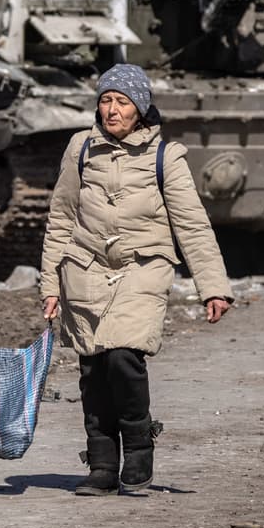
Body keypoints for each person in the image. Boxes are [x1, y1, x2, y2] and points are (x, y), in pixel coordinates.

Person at [39, 63, 233, 496]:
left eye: (121, 102)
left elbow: (193, 226)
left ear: (140, 108)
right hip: (85, 269)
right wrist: (50, 283)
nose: (111, 110)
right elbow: (61, 218)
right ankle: (102, 465)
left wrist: (213, 286)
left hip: (141, 269)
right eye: (105, 100)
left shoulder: (167, 157)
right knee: (93, 368)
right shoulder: (80, 149)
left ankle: (139, 439)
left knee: (123, 357)